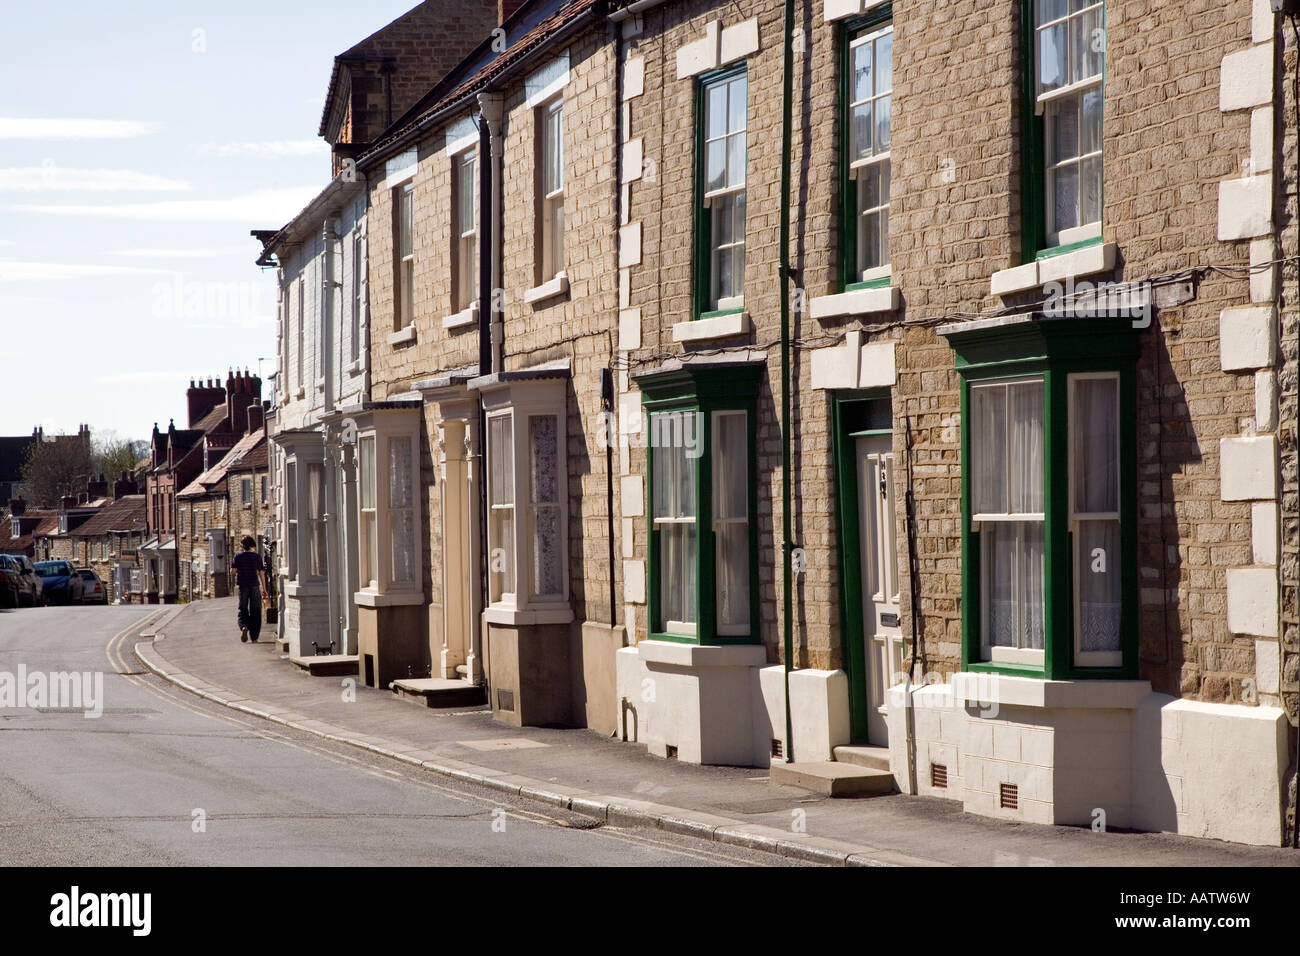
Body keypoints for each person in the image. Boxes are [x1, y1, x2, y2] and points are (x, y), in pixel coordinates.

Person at [230, 536, 268, 643]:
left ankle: (244, 626)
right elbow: (261, 573)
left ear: (243, 546)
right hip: (254, 585)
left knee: (243, 609)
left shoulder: (238, 556)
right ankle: (254, 637)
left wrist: (236, 570)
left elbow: (233, 571)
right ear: (252, 545)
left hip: (243, 586)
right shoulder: (257, 557)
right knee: (256, 611)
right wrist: (264, 589)